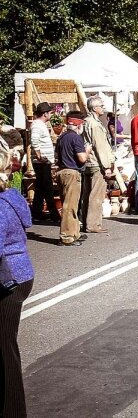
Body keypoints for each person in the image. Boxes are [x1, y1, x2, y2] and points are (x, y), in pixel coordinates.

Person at [0, 148, 34, 417]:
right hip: (19, 274)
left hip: (7, 279)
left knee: (3, 352)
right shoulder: (11, 195)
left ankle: (12, 411)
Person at [55, 112, 91, 246]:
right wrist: (87, 150)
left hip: (62, 171)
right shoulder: (75, 138)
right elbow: (82, 158)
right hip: (71, 173)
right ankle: (67, 237)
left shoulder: (62, 137)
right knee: (70, 206)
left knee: (70, 204)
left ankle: (74, 233)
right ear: (78, 124)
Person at [81, 96, 115, 234]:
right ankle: (93, 224)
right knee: (96, 195)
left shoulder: (86, 121)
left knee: (88, 194)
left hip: (89, 162)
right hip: (96, 163)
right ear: (95, 108)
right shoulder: (94, 124)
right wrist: (106, 166)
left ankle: (86, 222)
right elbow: (100, 146)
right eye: (101, 105)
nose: (103, 107)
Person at [30, 102, 59, 223]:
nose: (51, 115)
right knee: (47, 187)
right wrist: (40, 156)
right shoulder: (37, 125)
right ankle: (54, 214)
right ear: (45, 113)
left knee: (41, 187)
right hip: (42, 162)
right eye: (50, 113)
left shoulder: (40, 124)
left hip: (43, 161)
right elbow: (34, 141)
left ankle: (37, 212)